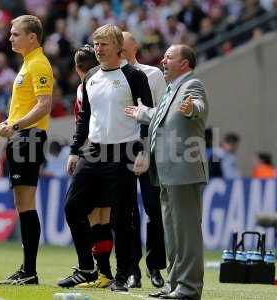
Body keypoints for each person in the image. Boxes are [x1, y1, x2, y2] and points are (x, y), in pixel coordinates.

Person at [57, 24, 153, 292]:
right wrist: (75, 150)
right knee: (73, 208)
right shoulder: (90, 77)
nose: (98, 49)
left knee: (122, 218)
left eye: (104, 44)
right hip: (94, 150)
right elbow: (85, 118)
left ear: (118, 47)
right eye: (96, 44)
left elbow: (148, 115)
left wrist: (144, 152)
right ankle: (87, 267)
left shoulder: (133, 76)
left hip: (124, 151)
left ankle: (122, 276)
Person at [125, 44, 208, 299]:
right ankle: (174, 285)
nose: (163, 60)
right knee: (172, 233)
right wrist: (143, 113)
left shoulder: (192, 85)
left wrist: (192, 108)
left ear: (184, 64)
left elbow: (199, 105)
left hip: (183, 172)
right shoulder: (172, 88)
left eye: (169, 57)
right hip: (166, 173)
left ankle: (189, 288)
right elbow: (162, 117)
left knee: (186, 233)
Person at [0, 15, 53, 285]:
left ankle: (30, 271)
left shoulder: (38, 64)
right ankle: (27, 269)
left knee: (26, 203)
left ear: (32, 37)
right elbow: (24, 108)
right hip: (21, 136)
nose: (10, 38)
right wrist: (3, 124)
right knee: (22, 204)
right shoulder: (28, 63)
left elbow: (44, 105)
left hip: (29, 138)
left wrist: (14, 125)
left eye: (15, 34)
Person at [121, 31, 167, 289]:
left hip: (149, 147)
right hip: (119, 148)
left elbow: (160, 113)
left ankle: (155, 266)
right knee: (126, 213)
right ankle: (131, 269)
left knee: (154, 210)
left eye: (122, 39)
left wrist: (147, 150)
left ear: (134, 45)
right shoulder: (109, 76)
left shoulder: (153, 74)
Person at [71, 44, 114, 288]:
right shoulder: (106, 83)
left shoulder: (85, 87)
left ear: (77, 68)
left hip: (92, 155)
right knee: (104, 217)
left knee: (91, 216)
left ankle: (100, 272)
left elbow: (83, 123)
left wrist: (77, 153)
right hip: (114, 154)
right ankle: (107, 272)